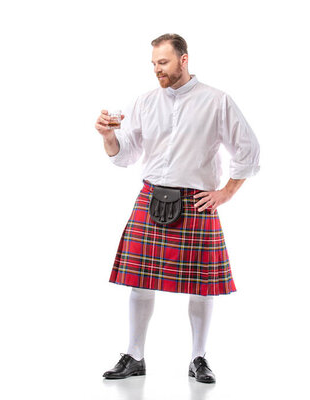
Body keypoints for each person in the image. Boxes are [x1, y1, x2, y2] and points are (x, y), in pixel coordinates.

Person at [94, 33, 260, 384]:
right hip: (151, 196)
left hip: (196, 203)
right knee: (139, 282)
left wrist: (226, 192)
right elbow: (126, 154)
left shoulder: (217, 101)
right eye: (154, 63)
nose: (158, 70)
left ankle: (198, 358)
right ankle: (134, 356)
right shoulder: (145, 102)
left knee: (202, 286)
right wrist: (108, 137)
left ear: (184, 60)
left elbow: (249, 150)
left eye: (164, 62)